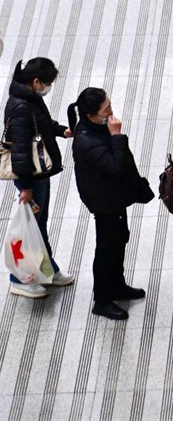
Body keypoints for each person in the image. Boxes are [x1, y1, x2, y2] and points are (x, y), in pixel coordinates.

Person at [69, 88, 151, 320]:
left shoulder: (95, 128)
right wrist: (117, 136)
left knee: (120, 238)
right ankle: (102, 300)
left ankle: (117, 285)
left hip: (113, 196)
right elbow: (116, 166)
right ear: (91, 115)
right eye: (106, 109)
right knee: (106, 247)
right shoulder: (86, 140)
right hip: (104, 201)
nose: (111, 112)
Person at [4, 57, 74, 298]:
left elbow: (42, 125)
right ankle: (19, 279)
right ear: (36, 82)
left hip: (39, 173)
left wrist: (62, 131)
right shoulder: (21, 106)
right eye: (47, 83)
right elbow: (20, 150)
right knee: (30, 226)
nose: (48, 87)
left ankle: (47, 270)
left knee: (38, 224)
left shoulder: (29, 98)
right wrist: (25, 187)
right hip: (31, 177)